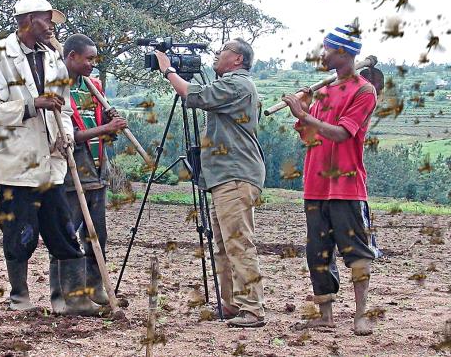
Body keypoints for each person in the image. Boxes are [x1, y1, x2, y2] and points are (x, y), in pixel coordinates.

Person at [0, 0, 103, 316]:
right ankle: (19, 299)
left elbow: (61, 106)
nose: (51, 27)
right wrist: (33, 105)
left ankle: (72, 301)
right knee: (20, 235)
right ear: (28, 20)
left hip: (52, 163)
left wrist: (65, 140)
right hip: (17, 164)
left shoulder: (53, 58)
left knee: (63, 231)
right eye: (47, 19)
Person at [155, 38, 267, 328]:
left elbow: (192, 95)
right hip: (223, 175)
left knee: (238, 242)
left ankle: (252, 309)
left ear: (238, 59)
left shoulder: (238, 84)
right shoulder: (232, 85)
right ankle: (231, 305)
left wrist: (168, 70)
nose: (217, 55)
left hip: (235, 174)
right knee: (222, 244)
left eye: (224, 51)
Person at [282, 25, 378, 336]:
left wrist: (306, 114)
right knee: (318, 252)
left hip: (347, 186)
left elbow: (341, 133)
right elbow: (311, 138)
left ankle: (361, 315)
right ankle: (326, 315)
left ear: (342, 53)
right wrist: (305, 111)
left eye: (326, 49)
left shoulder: (364, 91)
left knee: (358, 252)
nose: (322, 55)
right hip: (316, 184)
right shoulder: (323, 91)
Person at [48, 34, 128, 313]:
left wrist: (110, 123)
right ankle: (66, 295)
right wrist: (104, 129)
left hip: (97, 168)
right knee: (67, 235)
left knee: (97, 235)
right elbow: (70, 136)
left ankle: (95, 288)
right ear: (71, 57)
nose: (93, 64)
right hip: (72, 170)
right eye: (89, 59)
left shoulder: (93, 88)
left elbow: (99, 128)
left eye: (95, 59)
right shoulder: (58, 89)